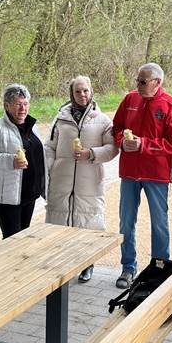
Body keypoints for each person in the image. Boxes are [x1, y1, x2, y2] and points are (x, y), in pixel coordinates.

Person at [112, 63, 172, 289]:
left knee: (159, 224)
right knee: (126, 222)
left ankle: (159, 271)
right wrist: (121, 142)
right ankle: (128, 268)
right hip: (130, 173)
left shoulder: (171, 104)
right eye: (137, 80)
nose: (138, 85)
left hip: (157, 175)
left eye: (143, 82)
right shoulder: (130, 100)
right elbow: (116, 128)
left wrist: (144, 144)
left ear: (157, 82)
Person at [44, 76, 119, 282]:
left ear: (91, 91)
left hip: (89, 181)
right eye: (78, 92)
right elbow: (49, 146)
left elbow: (112, 148)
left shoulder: (102, 120)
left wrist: (91, 154)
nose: (82, 95)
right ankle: (61, 265)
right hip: (62, 180)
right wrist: (52, 167)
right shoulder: (60, 119)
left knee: (87, 223)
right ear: (72, 94)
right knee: (61, 222)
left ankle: (88, 264)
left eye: (85, 91)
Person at [0, 84, 45, 238]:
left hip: (29, 192)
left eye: (25, 104)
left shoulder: (32, 126)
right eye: (18, 104)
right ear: (7, 106)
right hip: (7, 195)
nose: (22, 108)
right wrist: (11, 161)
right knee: (11, 238)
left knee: (23, 235)